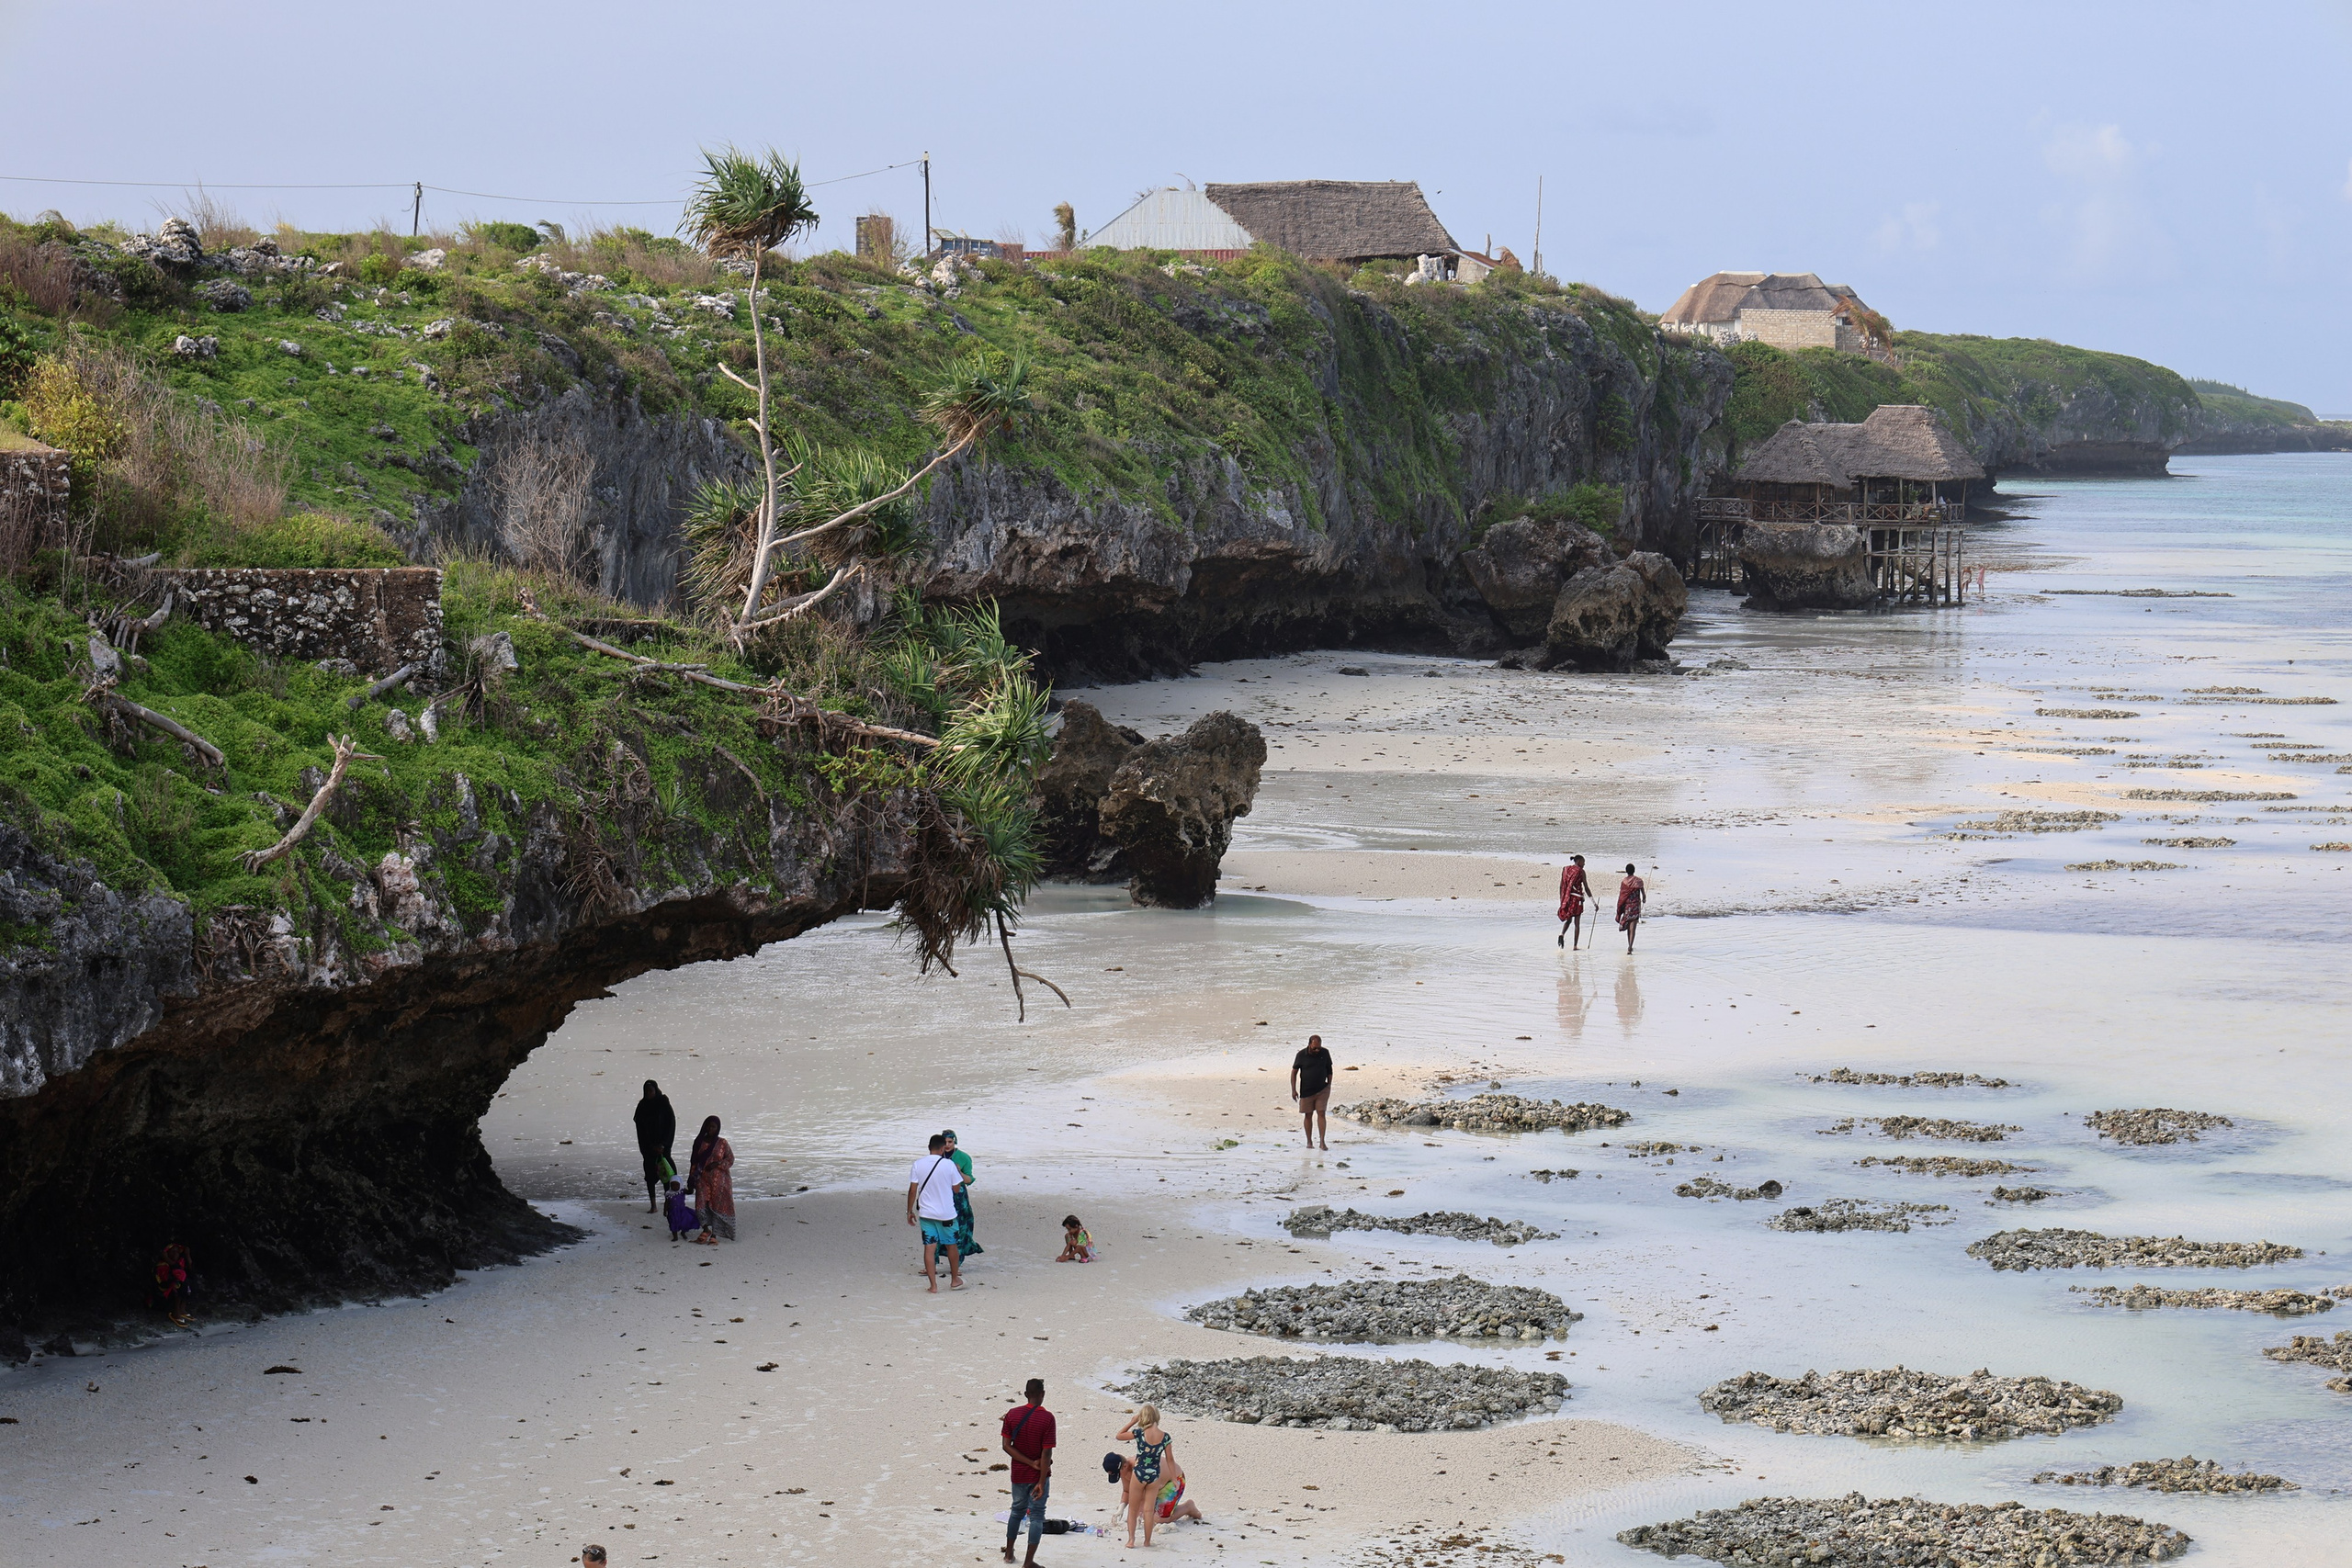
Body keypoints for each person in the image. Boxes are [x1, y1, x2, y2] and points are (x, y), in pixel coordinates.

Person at [1001, 1377, 1056, 1566]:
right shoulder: (1047, 1418)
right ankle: (1029, 1562)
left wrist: (1028, 1463)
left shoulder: (1012, 1414)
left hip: (1018, 1474)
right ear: (1042, 1395)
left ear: (1025, 1395)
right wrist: (1041, 1480)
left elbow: (1006, 1446)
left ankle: (1009, 1553)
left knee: (1016, 1511)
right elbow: (1047, 1451)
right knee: (1037, 1516)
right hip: (1038, 1475)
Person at [907, 1133, 967, 1292]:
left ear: (929, 1148)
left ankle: (933, 1286)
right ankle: (954, 1280)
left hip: (926, 1214)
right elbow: (956, 1188)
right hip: (947, 1214)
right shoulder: (949, 1165)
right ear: (942, 1149)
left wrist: (909, 1211)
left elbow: (913, 1190)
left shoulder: (918, 1164)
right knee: (951, 1246)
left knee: (929, 1247)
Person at [1115, 1405, 1176, 1549]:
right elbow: (1170, 1460)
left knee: (1133, 1509)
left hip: (1139, 1473)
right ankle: (1147, 1541)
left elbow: (1119, 1435)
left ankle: (1131, 1540)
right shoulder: (1165, 1437)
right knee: (1149, 1510)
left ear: (1143, 1417)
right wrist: (1174, 1478)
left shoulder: (1139, 1433)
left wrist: (1132, 1421)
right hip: (1154, 1474)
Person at [688, 1116, 735, 1245]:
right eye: (708, 1126)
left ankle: (714, 1234)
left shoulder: (722, 1143)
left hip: (720, 1182)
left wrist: (717, 1164)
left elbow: (730, 1159)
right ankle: (705, 1229)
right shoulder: (699, 1142)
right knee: (701, 1205)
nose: (710, 1129)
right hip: (702, 1180)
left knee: (717, 1207)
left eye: (713, 1127)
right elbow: (694, 1162)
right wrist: (691, 1180)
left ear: (718, 1128)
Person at [634, 1079, 676, 1214]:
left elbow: (671, 1124)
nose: (648, 1094)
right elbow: (640, 1128)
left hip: (664, 1147)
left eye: (651, 1091)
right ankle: (653, 1205)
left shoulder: (663, 1103)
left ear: (656, 1090)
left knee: (666, 1176)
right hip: (649, 1148)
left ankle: (668, 1203)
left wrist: (664, 1144)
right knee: (650, 1177)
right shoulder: (642, 1105)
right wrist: (650, 1146)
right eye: (646, 1092)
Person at [942, 1129, 984, 1261]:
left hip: (959, 1197)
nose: (947, 1145)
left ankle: (957, 1263)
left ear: (955, 1141)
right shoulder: (936, 1156)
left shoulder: (964, 1157)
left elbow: (969, 1180)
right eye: (945, 1142)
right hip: (941, 1195)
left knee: (960, 1229)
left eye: (950, 1142)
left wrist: (958, 1172)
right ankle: (933, 1263)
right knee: (938, 1229)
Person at [1290, 1033, 1334, 1151]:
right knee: (1308, 1115)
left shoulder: (1325, 1053)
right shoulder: (1301, 1055)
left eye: (1319, 1047)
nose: (1317, 1050)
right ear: (1309, 1044)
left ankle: (1322, 1142)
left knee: (1321, 1113)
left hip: (1322, 1090)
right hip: (1306, 1090)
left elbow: (1329, 1069)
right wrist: (1293, 1090)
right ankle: (1309, 1142)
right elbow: (1294, 1072)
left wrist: (1329, 1085)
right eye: (1314, 1048)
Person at [1151, 1452, 1205, 1526]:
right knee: (1145, 1515)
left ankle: (1187, 1507)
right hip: (1157, 1482)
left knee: (1159, 1519)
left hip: (1175, 1481)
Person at [153, 1241, 192, 1327]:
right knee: (179, 1284)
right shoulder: (162, 1265)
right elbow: (165, 1282)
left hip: (173, 1290)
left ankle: (182, 1309)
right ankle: (176, 1312)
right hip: (162, 1293)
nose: (176, 1254)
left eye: (177, 1252)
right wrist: (167, 1259)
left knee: (189, 1281)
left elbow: (190, 1268)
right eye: (173, 1251)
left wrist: (188, 1255)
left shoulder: (179, 1263)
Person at [1556, 854, 1591, 950]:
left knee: (1569, 920)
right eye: (1583, 862)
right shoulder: (1581, 871)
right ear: (1579, 861)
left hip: (1568, 898)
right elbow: (1586, 888)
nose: (1584, 864)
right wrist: (1593, 901)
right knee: (1577, 923)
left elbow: (1561, 885)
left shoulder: (1566, 870)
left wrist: (1563, 899)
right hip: (1577, 899)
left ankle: (1562, 934)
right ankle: (1575, 946)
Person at [1616, 863, 1645, 953]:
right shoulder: (1639, 881)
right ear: (1634, 870)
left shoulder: (1624, 881)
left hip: (1627, 907)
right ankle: (1630, 946)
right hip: (1636, 906)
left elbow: (1622, 895)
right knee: (1633, 927)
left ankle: (1629, 945)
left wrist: (1620, 907)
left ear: (1626, 871)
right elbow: (1643, 893)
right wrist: (1644, 899)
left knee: (1629, 927)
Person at [662, 1179, 699, 1243]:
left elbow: (690, 1192)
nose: (675, 1187)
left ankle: (683, 1232)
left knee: (685, 1222)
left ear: (680, 1185)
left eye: (677, 1185)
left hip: (682, 1210)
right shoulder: (669, 1193)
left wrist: (691, 1186)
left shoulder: (682, 1191)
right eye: (672, 1185)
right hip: (672, 1211)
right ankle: (675, 1236)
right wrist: (665, 1211)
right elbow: (666, 1203)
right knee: (673, 1223)